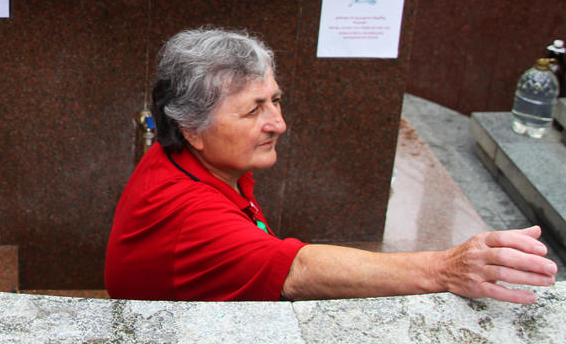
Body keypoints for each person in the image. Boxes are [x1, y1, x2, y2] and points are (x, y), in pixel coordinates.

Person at [105, 27, 558, 302]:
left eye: (275, 100)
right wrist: (446, 268)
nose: (278, 123)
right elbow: (299, 271)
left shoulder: (193, 156)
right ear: (192, 129)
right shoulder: (190, 217)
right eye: (253, 110)